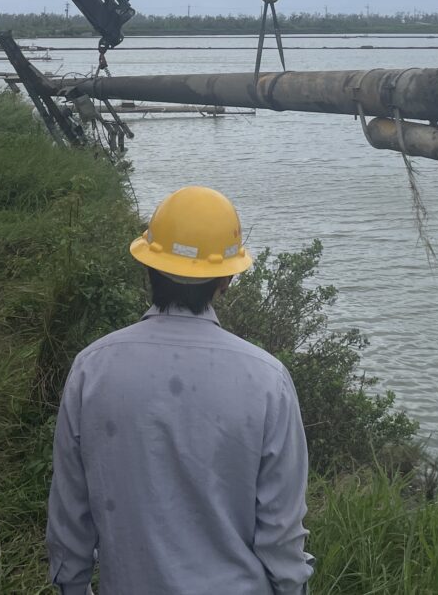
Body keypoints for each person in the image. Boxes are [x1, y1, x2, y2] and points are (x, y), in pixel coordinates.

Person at [47, 186, 314, 595]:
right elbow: (281, 534)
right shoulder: (267, 381)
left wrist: (72, 584)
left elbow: (70, 513)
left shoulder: (92, 368)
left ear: (148, 266)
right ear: (227, 279)